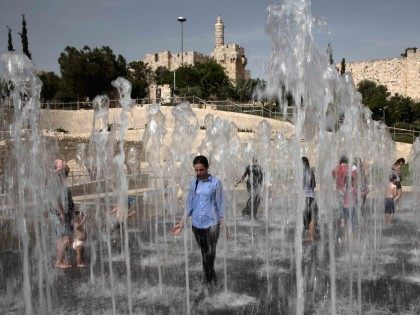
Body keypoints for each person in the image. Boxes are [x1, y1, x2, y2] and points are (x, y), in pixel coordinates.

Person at [172, 155, 224, 292]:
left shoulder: (216, 183)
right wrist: (181, 223)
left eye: (201, 170)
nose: (198, 173)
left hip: (212, 225)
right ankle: (211, 282)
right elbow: (189, 205)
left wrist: (224, 225)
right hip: (197, 225)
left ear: (207, 168)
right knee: (204, 253)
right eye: (196, 170)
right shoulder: (193, 183)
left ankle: (209, 283)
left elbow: (221, 205)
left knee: (210, 255)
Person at [49, 159, 75, 269]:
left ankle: (61, 259)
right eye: (62, 164)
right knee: (66, 238)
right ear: (58, 168)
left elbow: (68, 170)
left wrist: (64, 164)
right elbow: (54, 199)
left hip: (62, 213)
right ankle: (59, 261)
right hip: (59, 214)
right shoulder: (55, 180)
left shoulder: (60, 178)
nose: (65, 166)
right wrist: (61, 213)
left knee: (60, 239)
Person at [302, 157, 318, 242]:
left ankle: (308, 236)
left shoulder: (300, 172)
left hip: (304, 198)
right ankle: (311, 236)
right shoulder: (311, 171)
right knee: (312, 217)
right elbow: (314, 185)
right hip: (312, 197)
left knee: (306, 216)